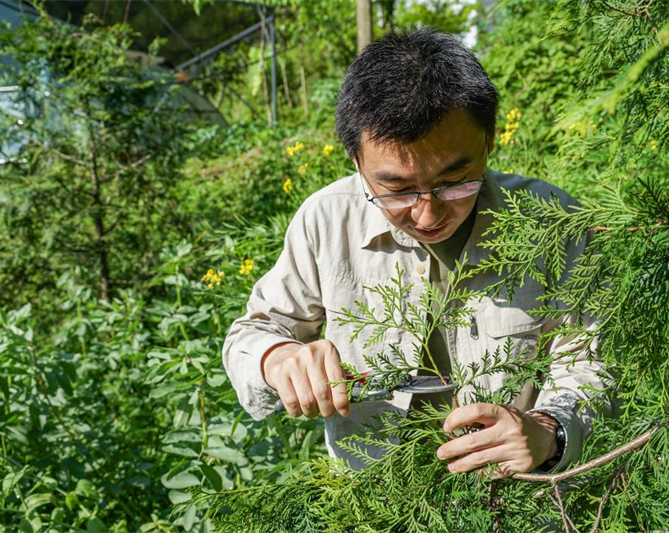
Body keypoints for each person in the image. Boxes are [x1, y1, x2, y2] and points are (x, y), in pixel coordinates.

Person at [223, 29, 611, 475]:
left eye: (455, 182)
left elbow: (591, 362)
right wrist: (278, 359)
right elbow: (252, 333)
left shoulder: (553, 221)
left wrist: (548, 431)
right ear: (356, 161)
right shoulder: (326, 221)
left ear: (489, 143)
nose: (427, 216)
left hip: (517, 502)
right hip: (373, 503)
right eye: (397, 190)